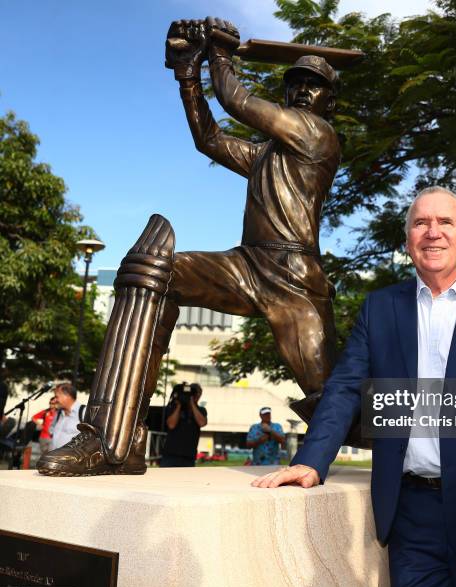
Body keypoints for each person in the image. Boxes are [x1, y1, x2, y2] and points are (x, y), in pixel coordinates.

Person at [37, 16, 343, 476]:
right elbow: (210, 138)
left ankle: (424, 448)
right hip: (248, 263)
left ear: (328, 101)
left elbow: (235, 101)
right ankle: (113, 438)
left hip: (294, 276)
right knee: (153, 271)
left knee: (336, 403)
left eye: (314, 86)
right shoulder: (266, 155)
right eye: (295, 83)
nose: (302, 91)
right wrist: (187, 74)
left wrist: (218, 54)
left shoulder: (318, 135)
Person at [252, 186, 456, 587]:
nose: (433, 232)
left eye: (445, 222)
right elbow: (346, 387)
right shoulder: (380, 308)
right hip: (410, 515)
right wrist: (311, 461)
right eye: (420, 223)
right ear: (408, 238)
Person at [160, 383, 207, 468]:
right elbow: (171, 425)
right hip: (170, 455)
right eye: (195, 393)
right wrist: (179, 405)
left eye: (199, 393)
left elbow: (202, 423)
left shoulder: (201, 410)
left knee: (187, 481)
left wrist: (192, 404)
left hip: (188, 457)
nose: (197, 395)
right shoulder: (174, 407)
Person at [49, 383, 83, 451]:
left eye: (57, 397)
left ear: (67, 396)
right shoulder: (59, 413)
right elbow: (52, 430)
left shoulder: (84, 412)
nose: (55, 400)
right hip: (54, 458)